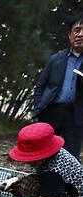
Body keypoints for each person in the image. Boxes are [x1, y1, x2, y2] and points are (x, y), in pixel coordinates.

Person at [0, 122, 83, 197]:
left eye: (31, 157)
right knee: (19, 181)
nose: (27, 161)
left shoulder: (53, 175)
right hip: (63, 194)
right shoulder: (54, 154)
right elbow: (40, 173)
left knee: (30, 184)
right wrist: (17, 179)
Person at [33, 15, 83, 161]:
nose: (80, 34)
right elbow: (40, 86)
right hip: (51, 111)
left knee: (70, 156)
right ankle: (42, 182)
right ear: (69, 35)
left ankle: (64, 184)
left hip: (76, 115)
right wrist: (39, 108)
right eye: (77, 30)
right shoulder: (56, 59)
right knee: (44, 152)